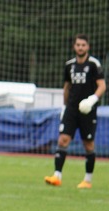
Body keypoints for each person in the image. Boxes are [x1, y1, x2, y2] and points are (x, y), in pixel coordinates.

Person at [45, 34, 105, 189]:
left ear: (88, 47)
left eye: (83, 45)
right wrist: (64, 107)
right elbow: (67, 87)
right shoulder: (69, 65)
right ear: (74, 46)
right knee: (62, 140)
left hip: (88, 110)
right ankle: (57, 176)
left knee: (88, 144)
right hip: (71, 109)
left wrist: (92, 99)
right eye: (78, 45)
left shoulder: (94, 64)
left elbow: (102, 86)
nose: (80, 48)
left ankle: (87, 180)